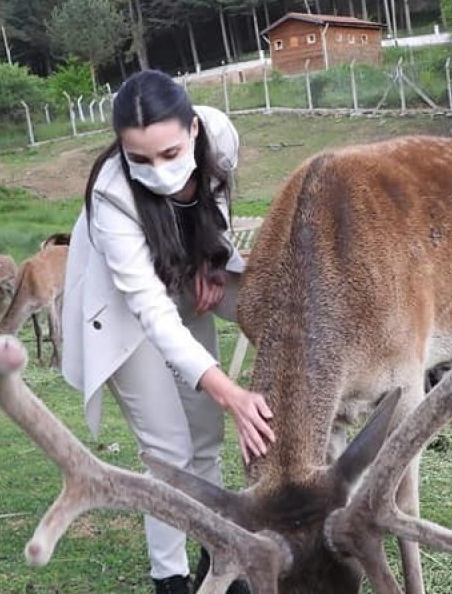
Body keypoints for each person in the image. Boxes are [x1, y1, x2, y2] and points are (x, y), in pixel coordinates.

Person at [61, 69, 273, 594]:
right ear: (121, 153)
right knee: (170, 448)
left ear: (194, 130)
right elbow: (151, 312)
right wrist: (233, 393)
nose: (158, 170)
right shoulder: (111, 196)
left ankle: (220, 559)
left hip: (183, 279)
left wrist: (210, 257)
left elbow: (213, 204)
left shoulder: (219, 135)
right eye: (140, 159)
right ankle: (170, 578)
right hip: (125, 312)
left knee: (205, 435)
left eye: (170, 153)